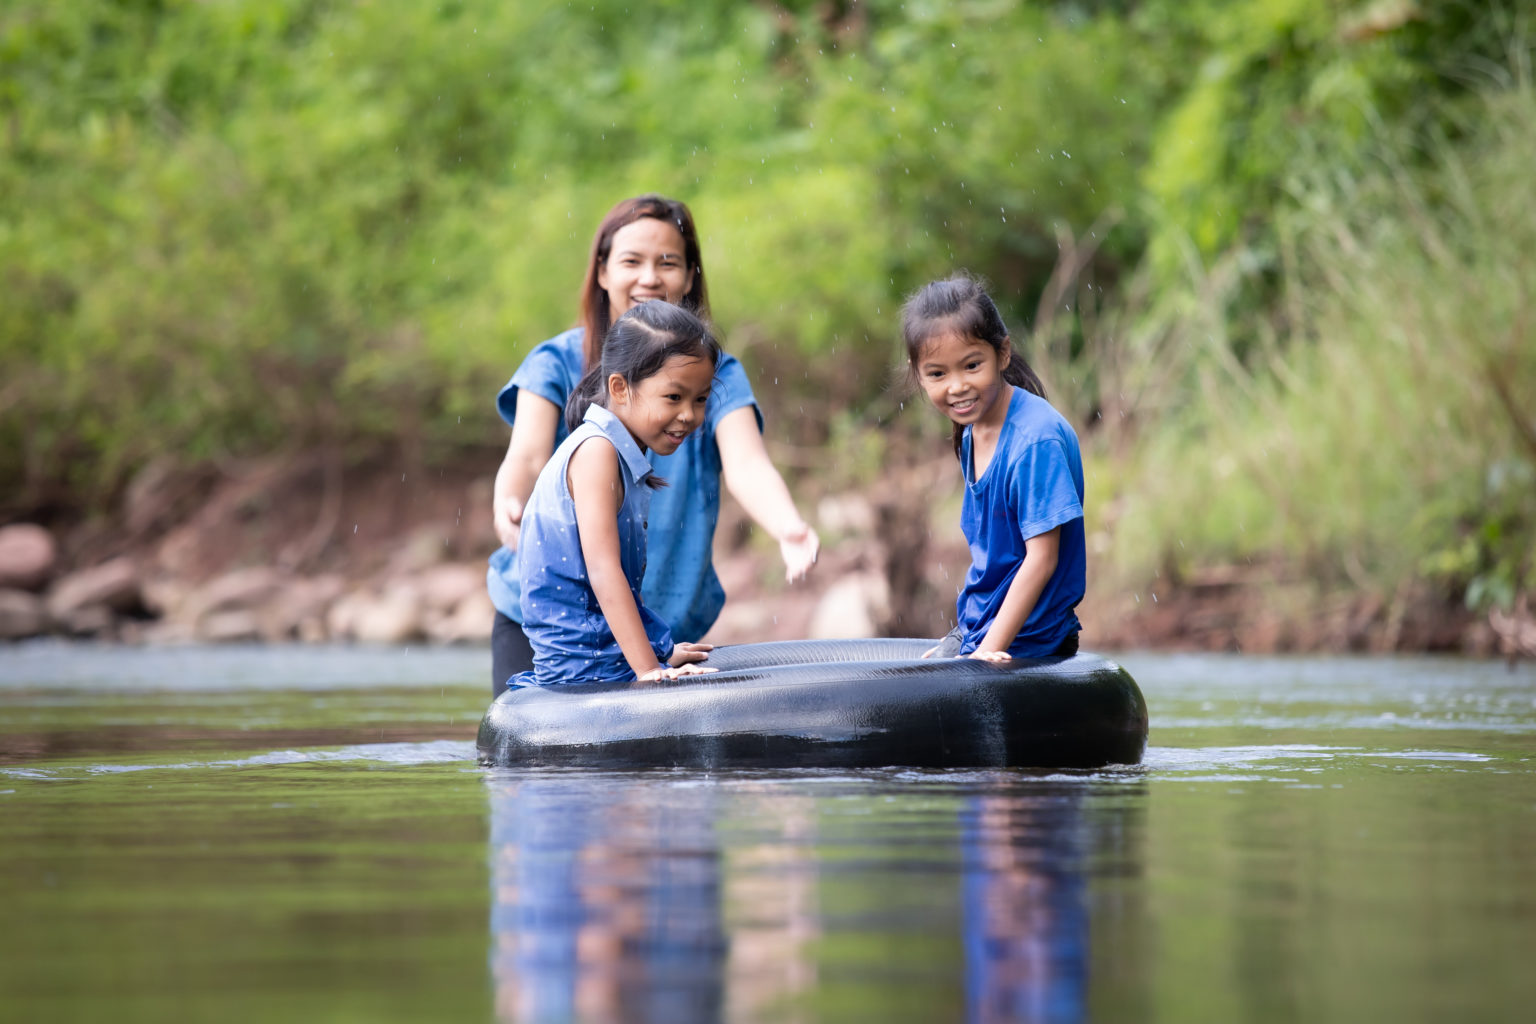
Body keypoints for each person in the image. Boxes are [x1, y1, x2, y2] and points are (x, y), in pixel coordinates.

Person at [487, 194, 819, 695]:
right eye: (631, 261)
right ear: (601, 272)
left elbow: (747, 464)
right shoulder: (564, 377)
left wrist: (789, 528)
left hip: (654, 619)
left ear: (690, 276)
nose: (650, 277)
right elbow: (530, 458)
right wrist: (511, 502)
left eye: (668, 262)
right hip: (567, 635)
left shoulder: (711, 369)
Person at [514, 301, 721, 688]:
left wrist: (661, 649)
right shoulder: (597, 451)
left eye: (700, 399)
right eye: (674, 398)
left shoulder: (618, 449)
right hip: (583, 665)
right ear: (619, 387)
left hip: (601, 652)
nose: (690, 415)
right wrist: (648, 669)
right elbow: (604, 571)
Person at [902, 274, 1085, 660]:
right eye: (937, 373)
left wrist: (988, 650)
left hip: (1032, 640)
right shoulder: (973, 430)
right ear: (918, 373)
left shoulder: (1034, 440)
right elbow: (995, 560)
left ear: (1002, 354)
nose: (956, 386)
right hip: (983, 628)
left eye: (971, 365)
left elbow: (1042, 559)